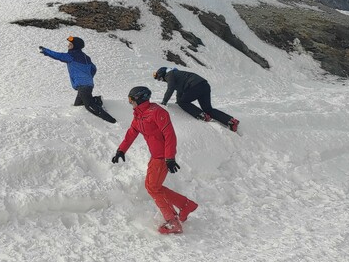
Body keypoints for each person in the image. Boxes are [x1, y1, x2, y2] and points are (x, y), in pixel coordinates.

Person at [111, 86, 198, 235]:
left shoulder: (158, 112)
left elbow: (170, 135)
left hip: (163, 157)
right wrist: (121, 150)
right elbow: (132, 132)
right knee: (152, 186)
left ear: (139, 99)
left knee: (153, 187)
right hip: (155, 156)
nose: (130, 103)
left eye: (131, 100)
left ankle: (173, 221)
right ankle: (185, 205)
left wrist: (170, 157)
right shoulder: (139, 115)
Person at [39, 36, 116, 123]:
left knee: (89, 106)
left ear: (75, 46)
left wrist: (45, 51)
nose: (68, 45)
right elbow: (93, 68)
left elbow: (58, 55)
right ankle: (95, 100)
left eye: (70, 44)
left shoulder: (71, 56)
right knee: (78, 105)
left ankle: (111, 120)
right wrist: (88, 77)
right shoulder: (86, 57)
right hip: (86, 84)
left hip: (83, 86)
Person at [154, 66, 239, 132]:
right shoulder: (177, 74)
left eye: (160, 78)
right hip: (204, 85)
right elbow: (179, 91)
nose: (161, 80)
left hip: (195, 86)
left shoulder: (169, 74)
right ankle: (231, 121)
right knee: (208, 109)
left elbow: (171, 88)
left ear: (162, 74)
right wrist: (178, 101)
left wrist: (164, 101)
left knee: (183, 102)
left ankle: (201, 115)